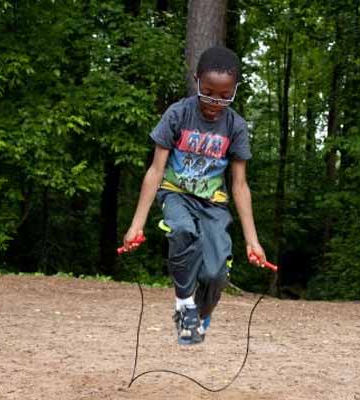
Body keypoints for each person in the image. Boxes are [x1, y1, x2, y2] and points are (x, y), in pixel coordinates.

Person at [122, 46, 267, 345]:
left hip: (214, 205)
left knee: (215, 275)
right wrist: (136, 224)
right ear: (197, 80)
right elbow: (155, 170)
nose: (215, 101)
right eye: (209, 91)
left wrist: (253, 241)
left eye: (225, 95)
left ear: (235, 89)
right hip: (176, 194)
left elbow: (239, 184)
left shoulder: (235, 126)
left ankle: (199, 313)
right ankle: (183, 304)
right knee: (183, 231)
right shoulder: (178, 114)